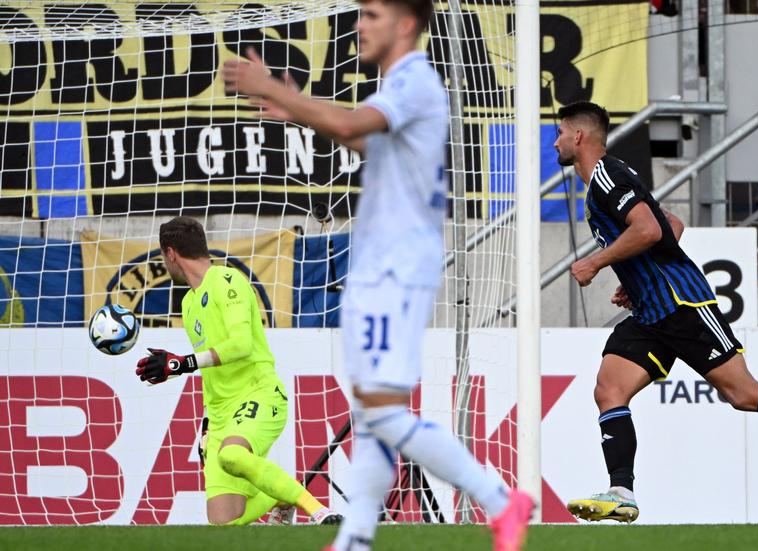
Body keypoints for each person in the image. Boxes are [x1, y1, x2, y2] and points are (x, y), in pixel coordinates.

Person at [221, 0, 533, 549]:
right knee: (370, 414)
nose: (359, 25)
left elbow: (348, 123)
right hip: (377, 266)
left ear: (406, 23)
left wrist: (274, 88)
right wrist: (297, 113)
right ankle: (356, 538)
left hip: (398, 268)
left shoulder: (416, 79)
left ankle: (499, 500)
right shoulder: (397, 86)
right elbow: (363, 138)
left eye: (371, 14)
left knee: (384, 414)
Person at [555, 101, 758, 523]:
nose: (557, 140)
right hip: (651, 310)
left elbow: (651, 229)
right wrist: (632, 275)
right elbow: (670, 223)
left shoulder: (606, 176)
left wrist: (597, 262)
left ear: (578, 136)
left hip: (682, 302)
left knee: (743, 395)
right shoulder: (610, 176)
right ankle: (622, 491)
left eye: (561, 132)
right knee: (608, 390)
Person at [136, 216, 341, 526]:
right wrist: (207, 423)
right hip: (220, 415)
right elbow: (212, 369)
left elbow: (241, 345)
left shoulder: (227, 281)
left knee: (232, 456)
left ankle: (319, 511)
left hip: (260, 394)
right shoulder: (190, 303)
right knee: (223, 525)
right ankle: (279, 495)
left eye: (164, 257)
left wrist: (181, 363)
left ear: (172, 253)